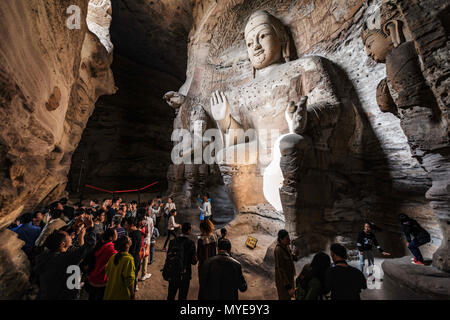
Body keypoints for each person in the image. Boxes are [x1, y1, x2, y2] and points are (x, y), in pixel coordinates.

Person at [33, 216, 96, 300]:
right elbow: (88, 246)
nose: (70, 236)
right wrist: (91, 228)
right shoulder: (65, 259)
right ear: (62, 244)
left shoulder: (44, 256)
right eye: (68, 236)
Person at [166, 223, 198, 300]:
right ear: (189, 230)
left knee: (171, 295)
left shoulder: (172, 242)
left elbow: (168, 256)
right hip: (185, 274)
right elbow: (193, 262)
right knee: (182, 297)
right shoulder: (191, 243)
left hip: (173, 272)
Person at [87, 228, 118, 300]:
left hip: (92, 277)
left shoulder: (99, 244)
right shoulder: (111, 249)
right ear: (111, 237)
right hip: (102, 280)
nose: (117, 235)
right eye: (115, 234)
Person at [104, 236, 136, 300]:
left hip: (111, 290)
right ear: (127, 245)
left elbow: (107, 269)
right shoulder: (128, 259)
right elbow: (129, 280)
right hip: (121, 293)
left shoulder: (114, 256)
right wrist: (132, 294)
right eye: (129, 239)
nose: (131, 238)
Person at [274, 229, 299, 300]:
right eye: (287, 238)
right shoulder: (278, 250)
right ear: (281, 239)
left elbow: (290, 257)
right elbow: (280, 269)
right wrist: (288, 287)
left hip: (289, 278)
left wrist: (295, 255)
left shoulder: (286, 247)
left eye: (289, 237)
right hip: (283, 282)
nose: (289, 239)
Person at [197, 220, 218, 286]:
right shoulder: (214, 237)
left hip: (204, 265)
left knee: (203, 285)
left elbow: (199, 254)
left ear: (203, 228)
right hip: (213, 264)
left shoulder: (201, 239)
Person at [124, 217, 142, 290]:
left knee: (131, 279)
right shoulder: (137, 232)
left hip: (133, 260)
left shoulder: (134, 235)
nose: (125, 227)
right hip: (135, 258)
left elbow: (132, 251)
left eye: (126, 225)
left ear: (131, 225)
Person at [140, 210, 154, 281]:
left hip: (140, 240)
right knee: (145, 256)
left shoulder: (138, 219)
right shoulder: (150, 220)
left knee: (139, 256)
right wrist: (149, 237)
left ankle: (137, 274)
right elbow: (152, 230)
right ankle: (143, 274)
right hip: (147, 240)